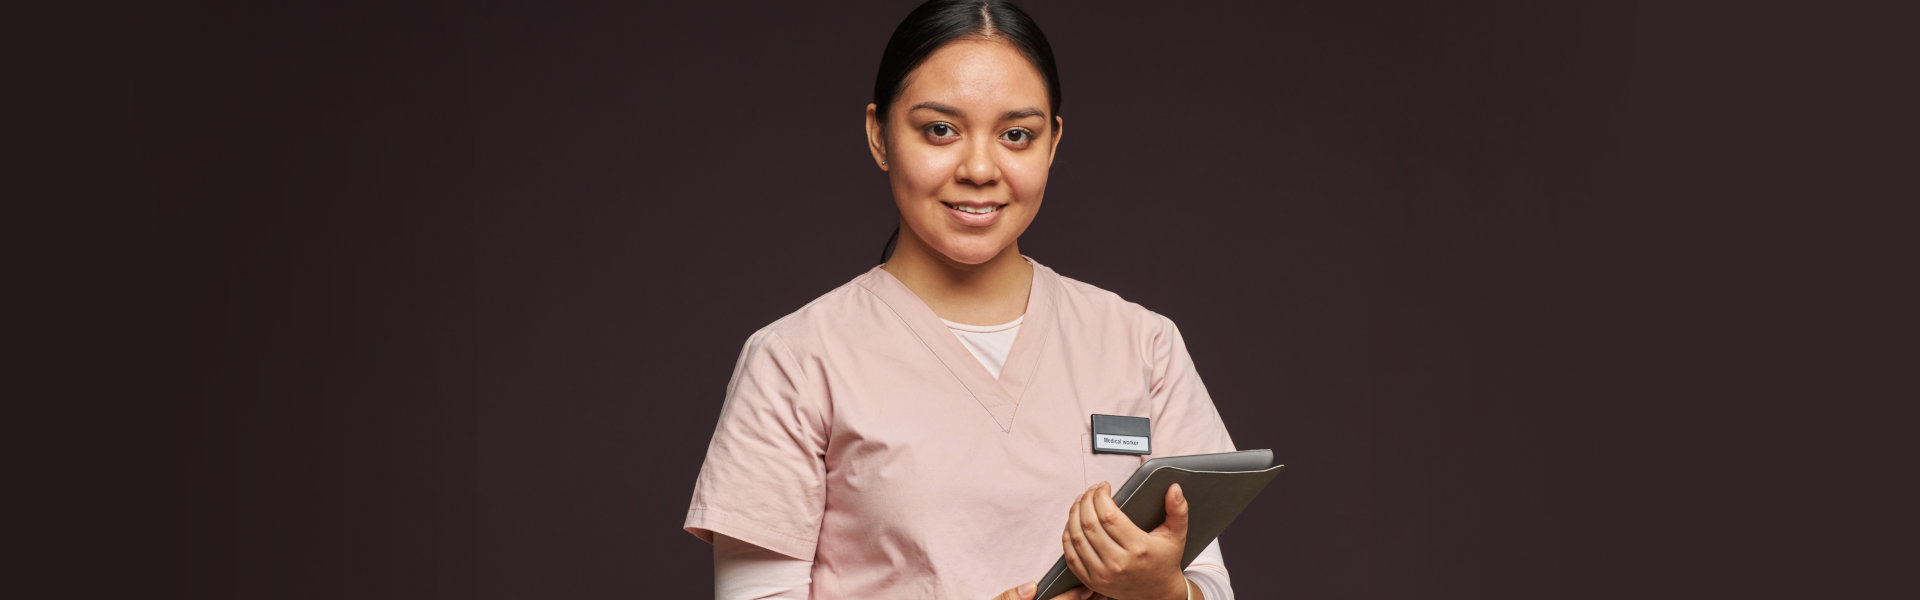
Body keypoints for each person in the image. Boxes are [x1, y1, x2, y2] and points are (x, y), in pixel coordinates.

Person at [684, 2, 1240, 598]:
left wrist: (1161, 592)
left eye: (1016, 135)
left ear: (1052, 143)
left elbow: (1207, 580)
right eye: (940, 130)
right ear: (880, 135)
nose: (979, 168)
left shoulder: (1142, 344)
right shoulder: (794, 361)